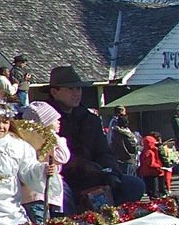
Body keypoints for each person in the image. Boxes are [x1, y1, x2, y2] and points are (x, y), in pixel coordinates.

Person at [44, 65, 145, 208]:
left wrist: (110, 171)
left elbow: (103, 151)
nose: (76, 93)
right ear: (54, 92)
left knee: (134, 185)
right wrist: (83, 166)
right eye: (70, 89)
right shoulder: (45, 120)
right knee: (62, 196)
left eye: (78, 89)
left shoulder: (89, 118)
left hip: (97, 174)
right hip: (64, 177)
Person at [17, 101, 71, 223]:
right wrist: (57, 139)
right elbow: (63, 157)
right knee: (41, 224)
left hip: (49, 192)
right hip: (36, 193)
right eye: (54, 119)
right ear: (45, 123)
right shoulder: (45, 141)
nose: (59, 121)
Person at [138, 132, 166, 198]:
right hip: (152, 172)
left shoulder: (146, 151)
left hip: (147, 172)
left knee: (151, 190)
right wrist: (160, 166)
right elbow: (150, 163)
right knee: (154, 190)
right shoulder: (150, 152)